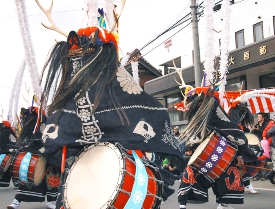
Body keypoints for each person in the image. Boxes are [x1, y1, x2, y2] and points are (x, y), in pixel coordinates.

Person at [39, 26, 184, 208]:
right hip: (89, 179)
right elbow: (157, 114)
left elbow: (50, 139)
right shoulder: (77, 101)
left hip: (108, 176)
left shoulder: (75, 101)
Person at [177, 90, 257, 209]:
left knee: (228, 176)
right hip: (204, 154)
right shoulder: (200, 120)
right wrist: (190, 146)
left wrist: (239, 154)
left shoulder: (219, 117)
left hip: (222, 154)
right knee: (191, 174)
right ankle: (182, 204)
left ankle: (224, 204)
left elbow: (235, 134)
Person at [7, 107, 60, 209]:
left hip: (46, 153)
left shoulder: (46, 122)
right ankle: (16, 201)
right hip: (34, 152)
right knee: (26, 179)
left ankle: (50, 202)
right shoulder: (33, 123)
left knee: (51, 177)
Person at [251, 112, 269, 181]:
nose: (258, 118)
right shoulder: (256, 125)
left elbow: (266, 133)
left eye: (259, 116)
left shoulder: (266, 125)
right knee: (256, 159)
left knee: (264, 159)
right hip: (257, 143)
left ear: (263, 118)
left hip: (264, 143)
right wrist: (253, 129)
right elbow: (253, 134)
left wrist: (259, 130)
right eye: (257, 116)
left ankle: (264, 175)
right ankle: (256, 175)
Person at [0, 121, 18, 188]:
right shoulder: (10, 132)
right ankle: (15, 182)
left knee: (5, 167)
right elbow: (15, 142)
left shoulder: (4, 132)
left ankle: (3, 181)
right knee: (12, 167)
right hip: (10, 152)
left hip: (4, 152)